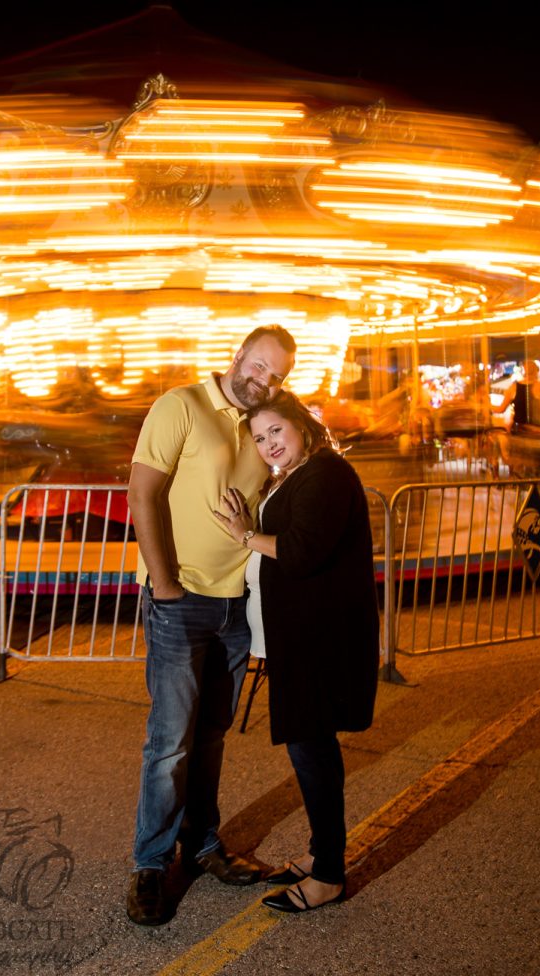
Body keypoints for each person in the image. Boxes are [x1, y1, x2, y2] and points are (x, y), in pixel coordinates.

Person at [126, 325, 296, 926]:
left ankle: (200, 846)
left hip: (234, 604)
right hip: (183, 598)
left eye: (277, 375)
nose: (265, 380)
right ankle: (150, 864)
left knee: (213, 734)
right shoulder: (182, 405)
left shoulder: (261, 428)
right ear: (238, 355)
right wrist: (165, 583)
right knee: (170, 740)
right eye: (259, 366)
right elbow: (142, 493)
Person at [214, 391, 380, 914]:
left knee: (312, 754)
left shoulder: (327, 474)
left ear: (302, 427)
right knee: (314, 753)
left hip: (320, 638)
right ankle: (320, 854)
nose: (268, 445)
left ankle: (329, 874)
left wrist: (246, 536)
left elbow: (304, 551)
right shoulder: (300, 475)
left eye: (276, 432)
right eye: (260, 439)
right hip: (302, 636)